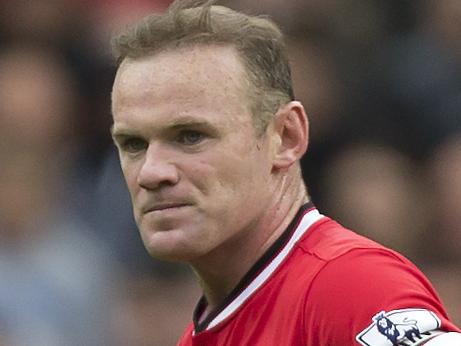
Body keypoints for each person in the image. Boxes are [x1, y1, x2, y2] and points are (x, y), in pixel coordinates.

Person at [110, 0, 461, 344]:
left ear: (286, 137)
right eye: (133, 144)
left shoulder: (350, 287)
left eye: (191, 136)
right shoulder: (207, 331)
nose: (152, 172)